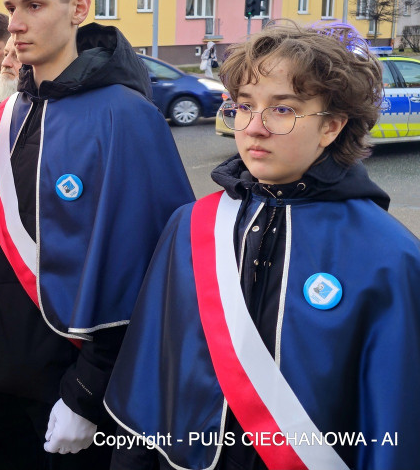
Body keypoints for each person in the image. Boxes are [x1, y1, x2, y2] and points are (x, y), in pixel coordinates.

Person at [105, 23, 420, 470]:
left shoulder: (389, 257)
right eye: (244, 107)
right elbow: (154, 371)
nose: (254, 128)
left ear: (331, 126)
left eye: (282, 110)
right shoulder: (191, 226)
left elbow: (393, 420)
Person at [0, 0, 194, 470]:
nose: (16, 25)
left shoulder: (127, 116)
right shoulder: (4, 118)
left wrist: (87, 392)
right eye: (11, 9)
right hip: (0, 372)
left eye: (34, 5)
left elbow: (148, 269)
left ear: (79, 8)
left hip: (77, 381)